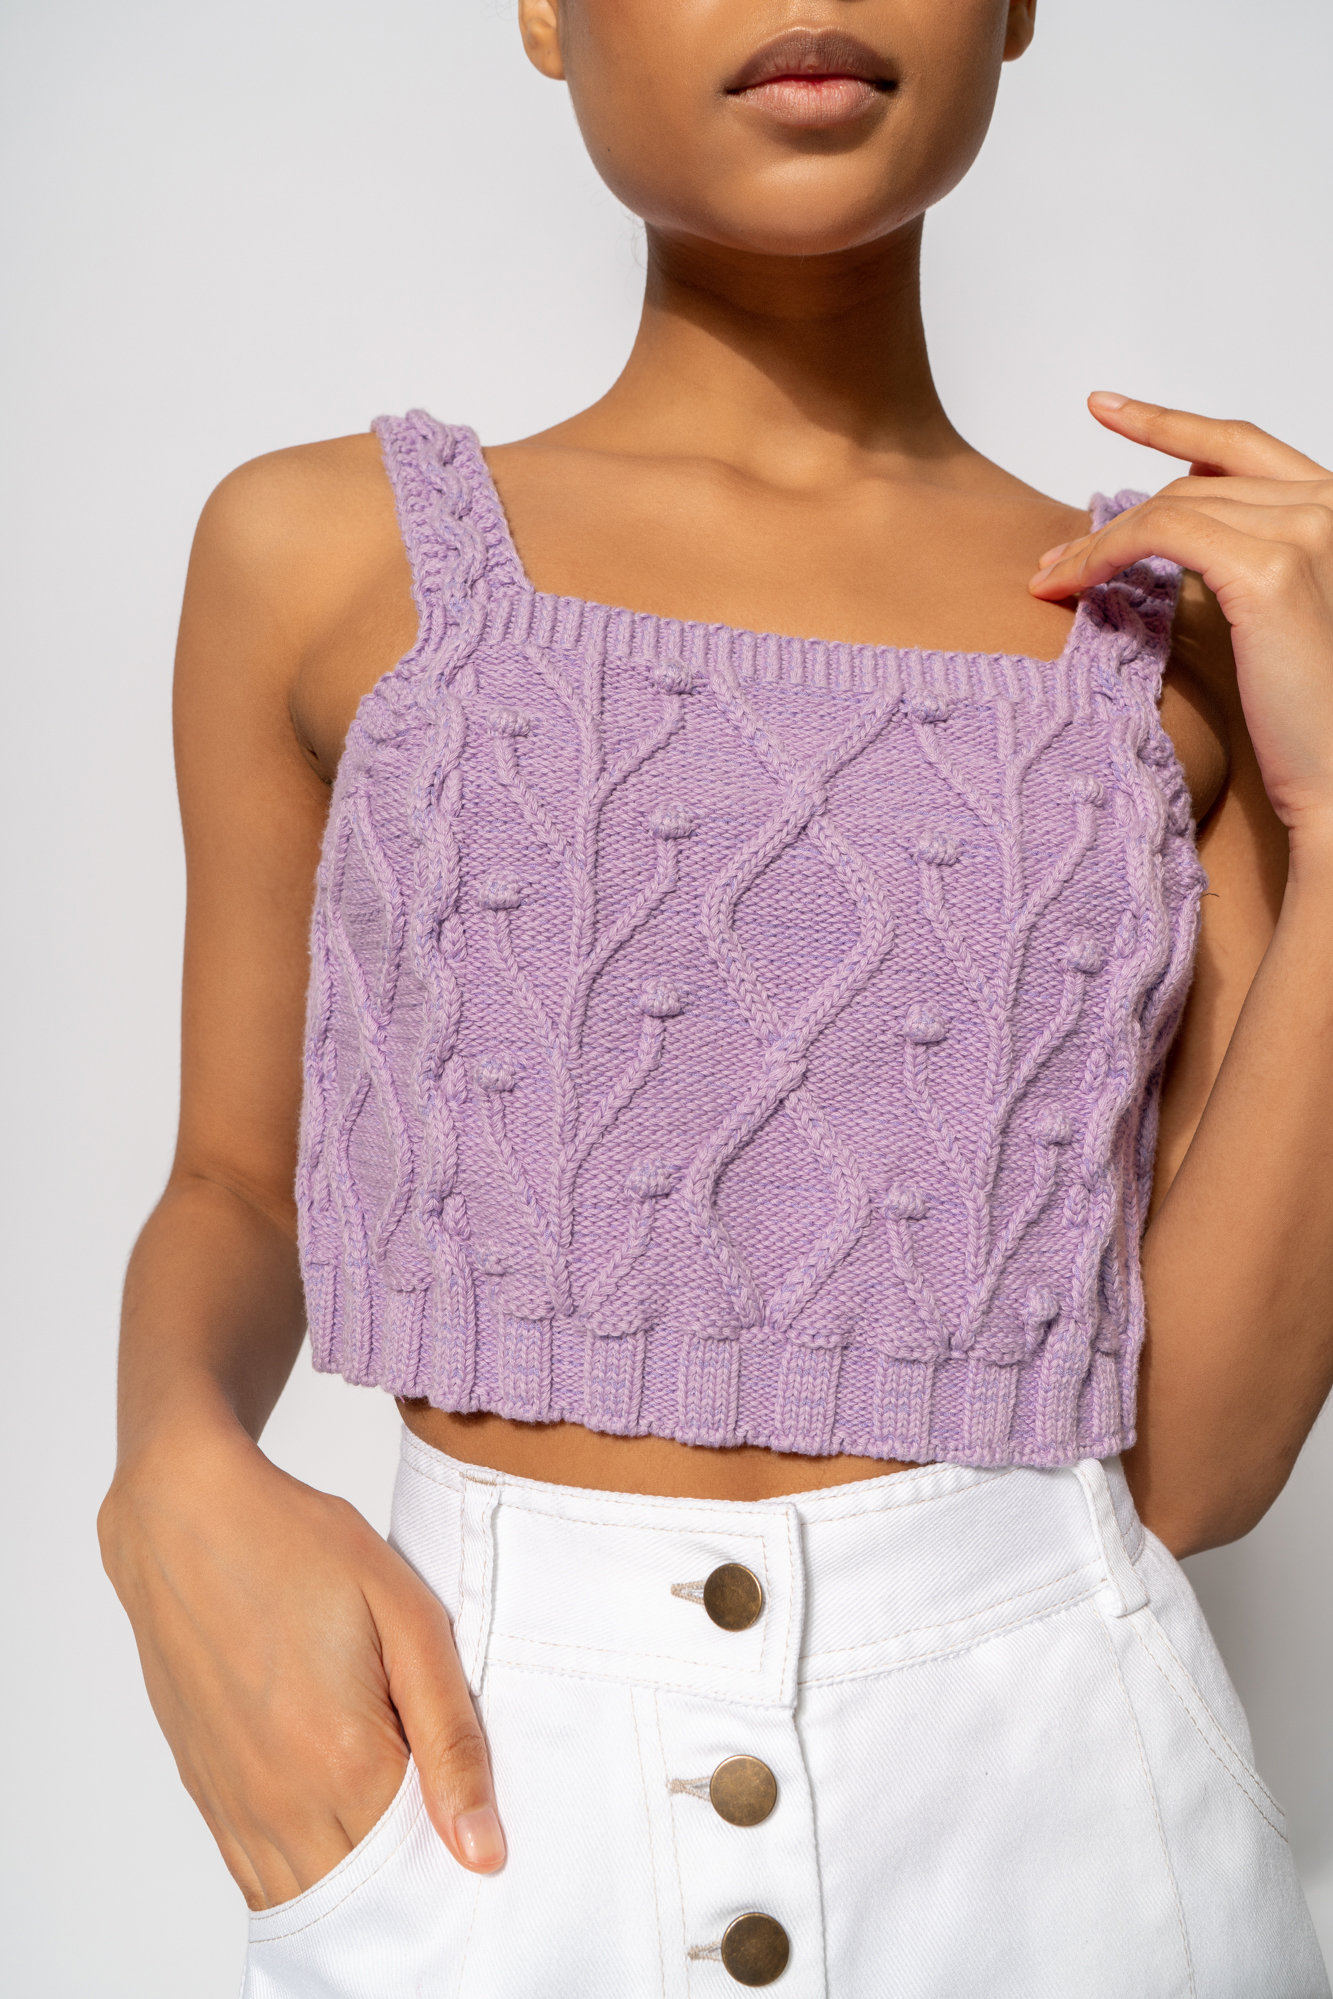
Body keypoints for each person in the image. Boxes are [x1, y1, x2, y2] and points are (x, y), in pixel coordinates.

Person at [98, 1, 1333, 1992]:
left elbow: (1193, 1459)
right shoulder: (318, 556)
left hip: (1067, 1828)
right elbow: (240, 1183)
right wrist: (171, 1474)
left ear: (1017, 8)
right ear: (543, 13)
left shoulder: (1185, 645)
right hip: (488, 1806)